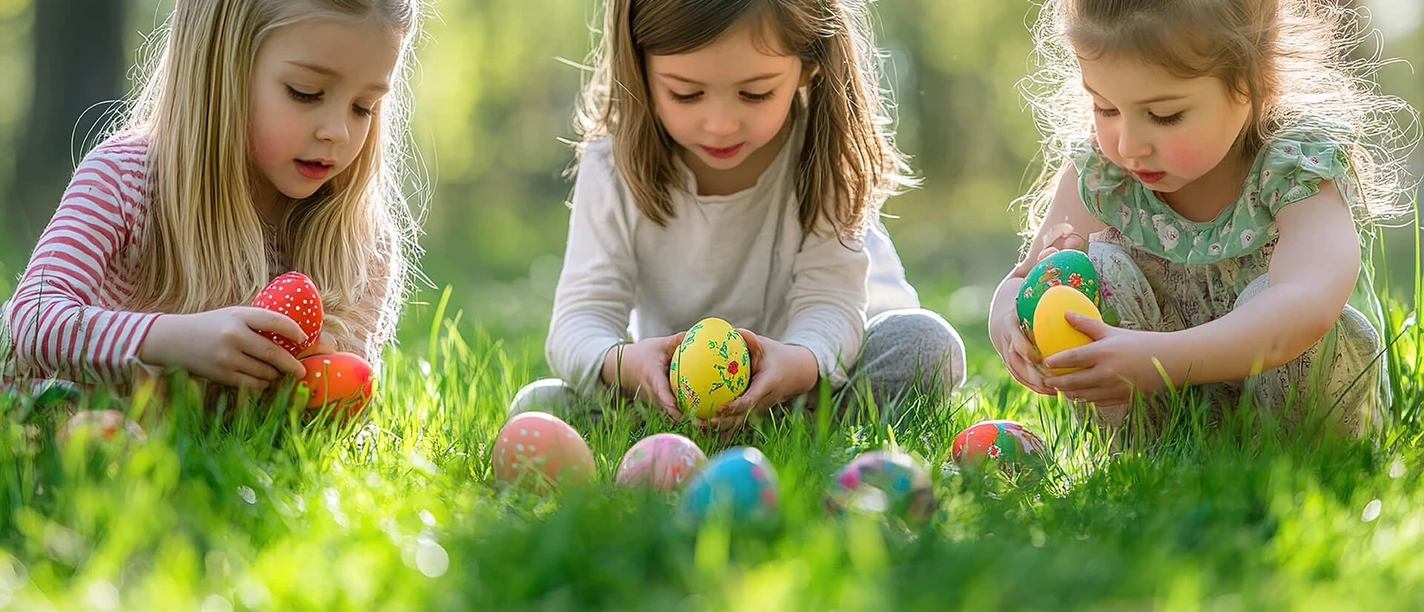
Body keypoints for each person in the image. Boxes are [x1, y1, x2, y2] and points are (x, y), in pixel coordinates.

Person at [513, 0, 966, 429]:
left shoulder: (823, 153)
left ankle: (784, 425)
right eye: (686, 94)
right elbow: (580, 320)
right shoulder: (613, 165)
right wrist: (627, 366)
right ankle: (702, 430)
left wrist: (799, 363)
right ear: (640, 65)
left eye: (755, 93)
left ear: (809, 64)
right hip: (675, 397)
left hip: (813, 383)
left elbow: (829, 301)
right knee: (539, 406)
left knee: (926, 345)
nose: (721, 123)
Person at [990, 0, 1417, 436]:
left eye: (1163, 115)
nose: (1130, 144)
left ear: (1253, 83)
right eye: (1106, 108)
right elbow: (1024, 279)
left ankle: (1297, 462)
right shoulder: (1105, 173)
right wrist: (1009, 319)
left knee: (1282, 306)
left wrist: (1163, 360)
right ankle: (1144, 457)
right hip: (1159, 416)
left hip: (1295, 415)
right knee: (1090, 271)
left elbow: (1308, 303)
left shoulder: (1295, 166)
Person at [1, 0, 426, 434]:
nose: (338, 130)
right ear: (219, 66)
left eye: (364, 106)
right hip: (45, 417)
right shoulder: (125, 179)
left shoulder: (359, 242)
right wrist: (177, 341)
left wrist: (309, 379)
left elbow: (330, 418)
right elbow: (32, 319)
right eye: (305, 92)